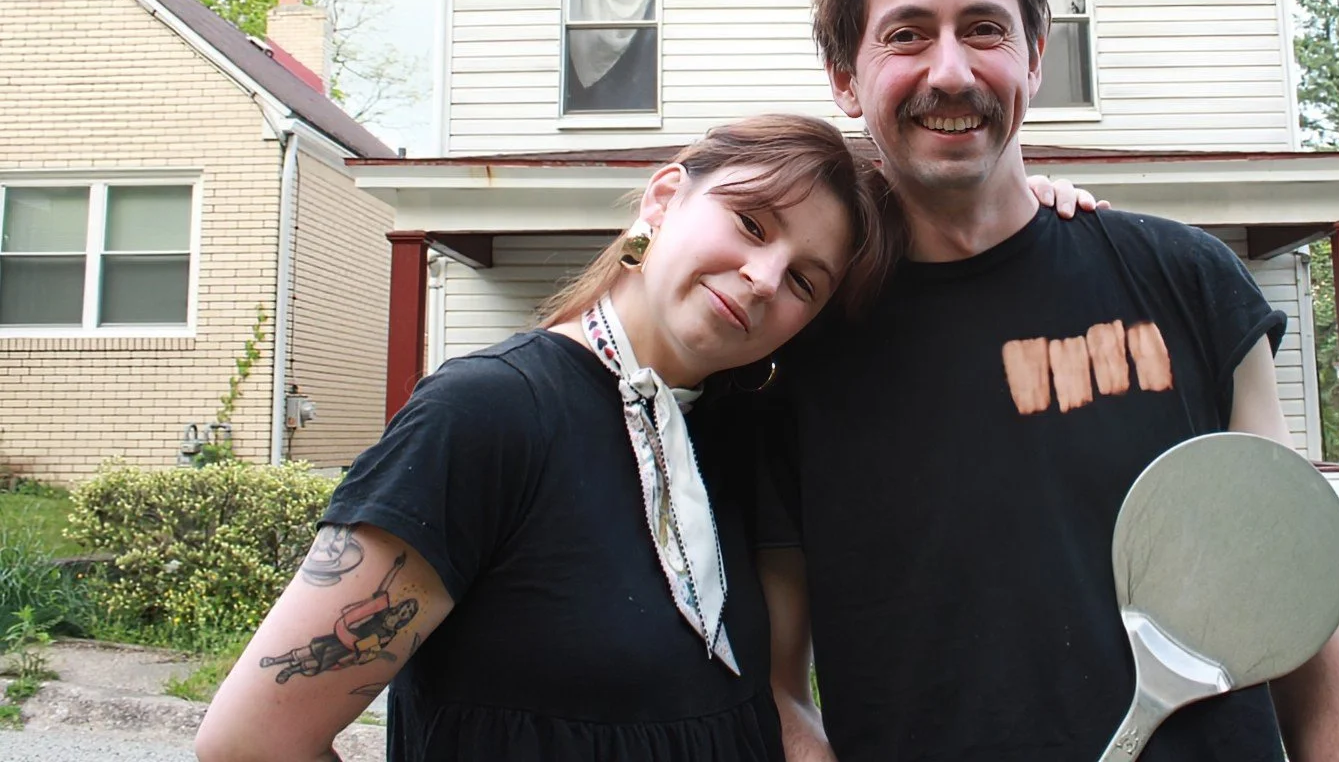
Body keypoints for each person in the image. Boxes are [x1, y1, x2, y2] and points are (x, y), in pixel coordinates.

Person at [760, 0, 1339, 761]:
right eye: (905, 34)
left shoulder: (1186, 284)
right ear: (845, 77)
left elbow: (1292, 589)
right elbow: (781, 690)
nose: (951, 69)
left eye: (984, 29)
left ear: (1035, 55)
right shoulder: (797, 346)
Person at [196, 114, 901, 762]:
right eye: (751, 224)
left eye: (805, 282)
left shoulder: (735, 443)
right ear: (662, 200)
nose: (763, 277)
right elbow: (253, 743)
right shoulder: (486, 415)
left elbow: (771, 705)